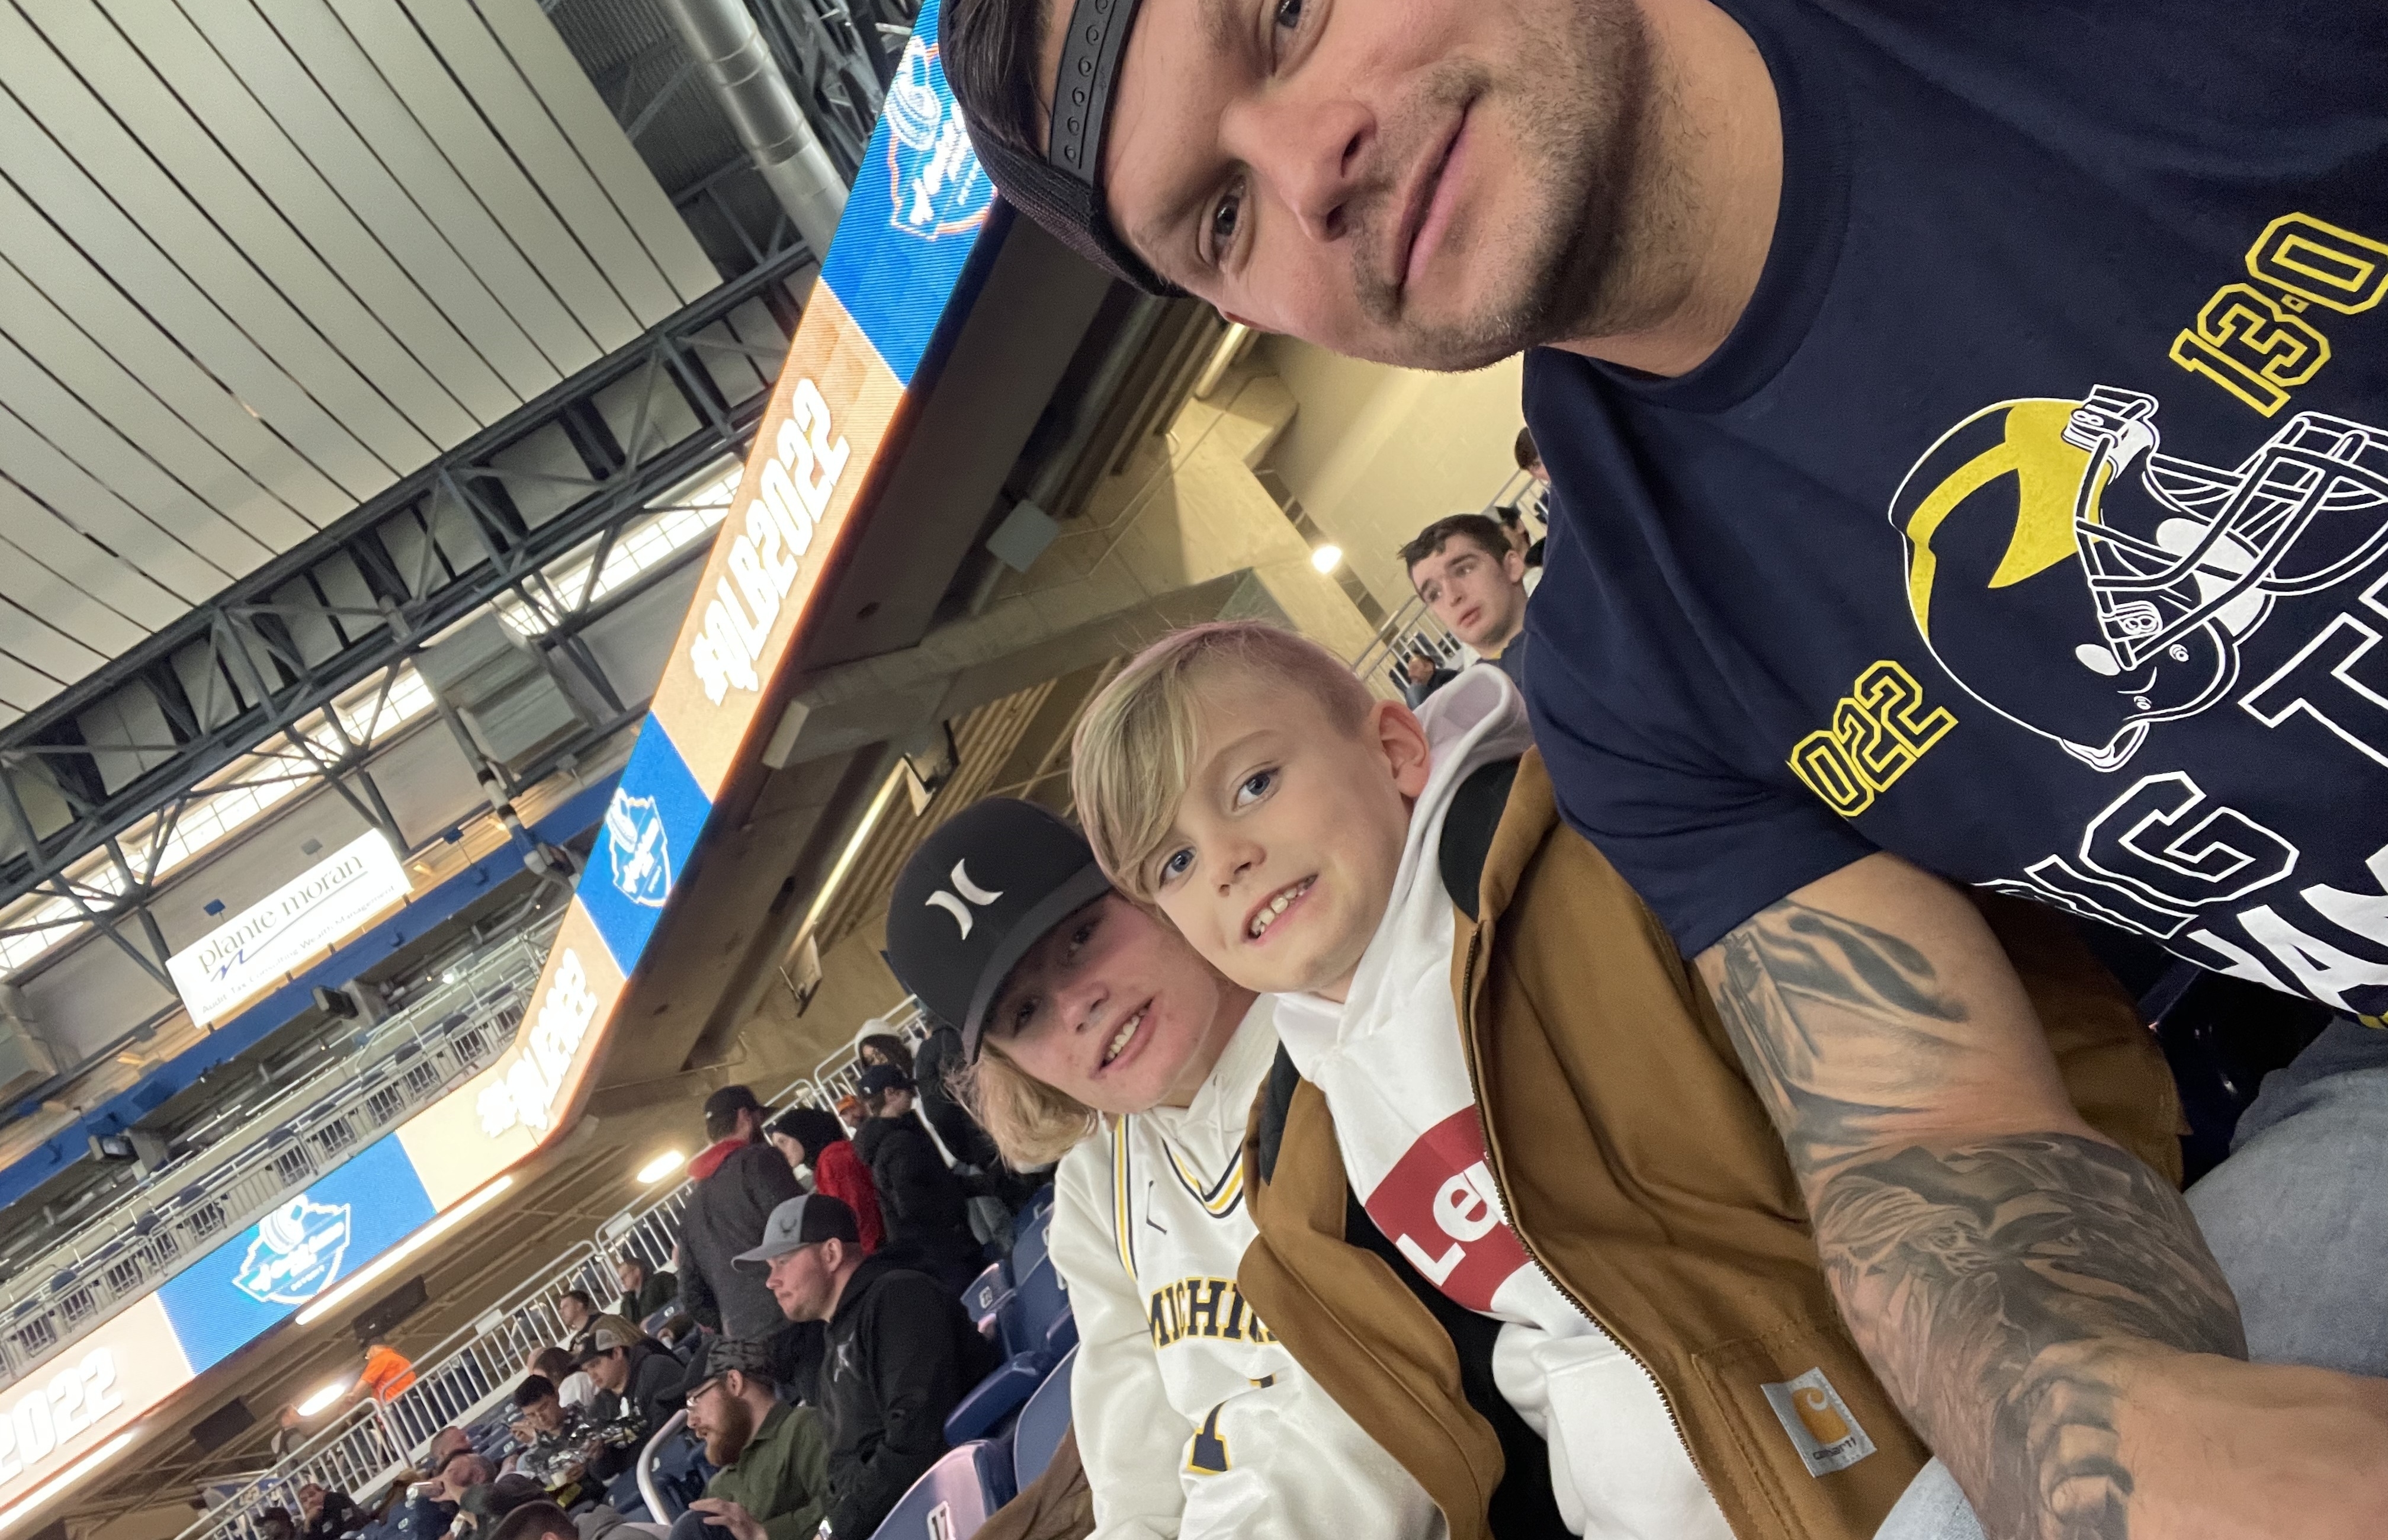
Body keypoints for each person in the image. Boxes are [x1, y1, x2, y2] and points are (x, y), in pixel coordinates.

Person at [939, 1, 2388, 1533]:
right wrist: (2114, 1435)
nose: (1309, 172)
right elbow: (1933, 1142)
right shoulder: (1625, 668)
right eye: (1223, 216)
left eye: (1285, 11)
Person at [1065, 620, 2199, 1539]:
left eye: (1253, 784)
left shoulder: (1608, 854)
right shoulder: (1298, 1151)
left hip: (1931, 1451)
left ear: (1397, 749)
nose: (1228, 860)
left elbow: (1966, 1104)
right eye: (1176, 862)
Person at [881, 797, 1448, 1540]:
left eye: (1081, 936)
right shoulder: (1096, 1185)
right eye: (1025, 1013)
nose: (1077, 1004)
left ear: (1144, 890)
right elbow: (1134, 1483)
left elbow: (1388, 1423)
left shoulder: (1331, 1023)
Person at [738, 1194, 999, 1540]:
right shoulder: (834, 1342)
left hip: (942, 1505)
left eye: (783, 1262)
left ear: (831, 1254)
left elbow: (916, 1436)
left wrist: (839, 1530)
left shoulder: (899, 1297)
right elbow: (844, 1473)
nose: (771, 1281)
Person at [678, 1086, 805, 1343]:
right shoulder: (760, 1159)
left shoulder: (691, 1207)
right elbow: (801, 1226)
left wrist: (731, 1323)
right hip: (797, 1316)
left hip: (744, 1340)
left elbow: (691, 1294)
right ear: (746, 1116)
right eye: (759, 1118)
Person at [674, 1336, 832, 1540]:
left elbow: (847, 1507)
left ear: (734, 1383)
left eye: (694, 1402)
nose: (691, 1422)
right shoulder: (718, 1487)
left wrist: (764, 1534)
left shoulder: (803, 1429)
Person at [852, 1064, 984, 1292]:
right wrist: (954, 1212)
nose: (912, 1095)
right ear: (890, 1093)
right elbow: (917, 1203)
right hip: (943, 1249)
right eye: (905, 1090)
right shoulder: (898, 1142)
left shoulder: (885, 1139)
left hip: (933, 1250)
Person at [1401, 513, 1533, 695]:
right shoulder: (1471, 704)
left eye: (1464, 570)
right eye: (1434, 594)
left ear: (1512, 566)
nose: (1452, 597)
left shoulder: (1570, 619)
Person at [765, 1106, 885, 1255]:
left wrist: (867, 1257)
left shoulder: (833, 1161)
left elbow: (858, 1216)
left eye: (783, 1141)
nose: (780, 1151)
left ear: (802, 1133)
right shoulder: (832, 1157)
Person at [576, 1325, 684, 1483]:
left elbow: (665, 1433)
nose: (592, 1375)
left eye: (595, 1364)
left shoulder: (656, 1369)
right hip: (644, 1476)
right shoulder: (599, 1407)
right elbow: (601, 1473)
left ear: (617, 1353)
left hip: (681, 1460)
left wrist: (622, 1456)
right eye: (586, 1370)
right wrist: (599, 1456)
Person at [613, 1255, 678, 1325]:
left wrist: (656, 1318)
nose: (622, 1282)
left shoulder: (661, 1280)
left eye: (624, 1277)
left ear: (637, 1271)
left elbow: (677, 1302)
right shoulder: (627, 1302)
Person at [527, 1347, 595, 1411]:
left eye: (541, 1379)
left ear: (555, 1373)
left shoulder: (569, 1386)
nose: (540, 1386)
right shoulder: (581, 1377)